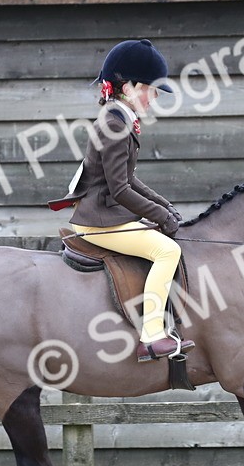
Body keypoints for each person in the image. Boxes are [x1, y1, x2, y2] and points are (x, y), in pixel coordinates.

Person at [64, 39, 194, 362]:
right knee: (167, 251)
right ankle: (152, 336)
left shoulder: (119, 119)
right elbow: (120, 189)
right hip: (99, 222)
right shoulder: (114, 125)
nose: (155, 97)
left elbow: (129, 179)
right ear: (129, 87)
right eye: (151, 89)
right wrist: (161, 217)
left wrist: (164, 206)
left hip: (106, 214)